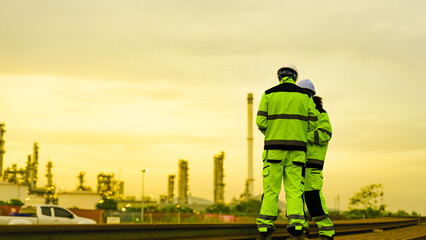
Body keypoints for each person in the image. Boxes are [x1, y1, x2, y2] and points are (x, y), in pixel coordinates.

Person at [255, 65, 318, 240]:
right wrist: (298, 131)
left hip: (273, 151)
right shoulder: (305, 96)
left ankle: (265, 230)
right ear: (295, 78)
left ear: (279, 78)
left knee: (270, 191)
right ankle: (297, 228)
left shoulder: (268, 94)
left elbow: (260, 121)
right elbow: (313, 123)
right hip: (297, 152)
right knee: (294, 191)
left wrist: (273, 131)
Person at [297, 79, 335, 240]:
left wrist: (303, 137)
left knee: (313, 199)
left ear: (311, 94)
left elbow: (326, 134)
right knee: (297, 201)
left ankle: (326, 233)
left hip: (312, 165)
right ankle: (302, 232)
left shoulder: (320, 113)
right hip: (297, 164)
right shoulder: (300, 113)